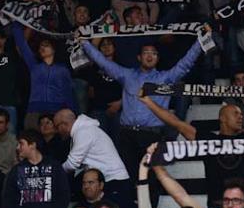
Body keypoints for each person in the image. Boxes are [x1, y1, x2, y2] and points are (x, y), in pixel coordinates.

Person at [80, 34, 204, 179]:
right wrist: (84, 43)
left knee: (152, 178)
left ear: (158, 58)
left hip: (152, 135)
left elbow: (185, 64)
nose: (150, 56)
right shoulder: (127, 75)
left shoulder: (166, 78)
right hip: (127, 135)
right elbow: (103, 62)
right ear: (139, 57)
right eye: (146, 53)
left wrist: (200, 42)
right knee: (127, 178)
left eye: (154, 53)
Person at [53, 109, 132, 208]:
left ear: (63, 125)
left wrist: (53, 173)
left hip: (114, 181)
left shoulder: (83, 132)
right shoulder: (84, 130)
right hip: (107, 179)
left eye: (57, 127)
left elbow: (72, 163)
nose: (57, 131)